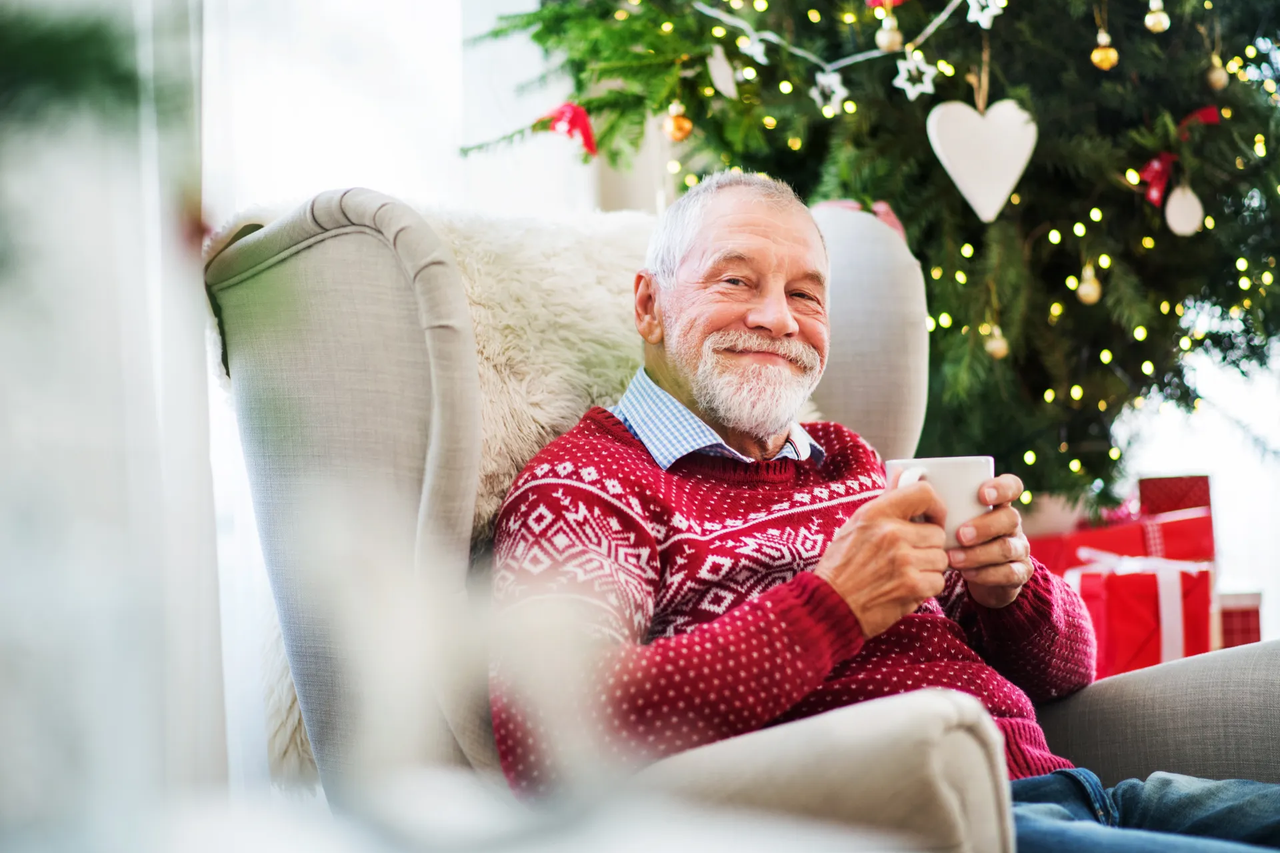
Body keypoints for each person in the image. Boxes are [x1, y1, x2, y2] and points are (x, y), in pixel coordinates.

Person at [488, 170, 1280, 850]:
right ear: (650, 304)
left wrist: (1013, 591)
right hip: (923, 826)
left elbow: (1069, 670)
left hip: (1081, 793)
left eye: (805, 293)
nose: (779, 319)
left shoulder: (849, 458)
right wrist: (832, 606)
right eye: (736, 281)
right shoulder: (588, 482)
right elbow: (550, 730)